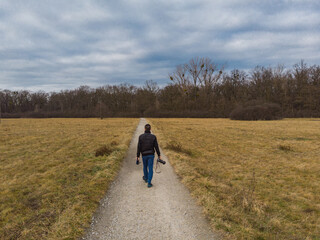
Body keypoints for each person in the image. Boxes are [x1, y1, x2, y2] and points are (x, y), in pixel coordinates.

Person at [136, 123, 161, 188]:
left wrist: (138, 156)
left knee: (145, 166)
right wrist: (159, 155)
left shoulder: (140, 136)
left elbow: (139, 147)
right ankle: (149, 182)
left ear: (144, 129)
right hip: (151, 155)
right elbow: (156, 146)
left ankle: (146, 178)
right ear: (150, 129)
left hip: (144, 155)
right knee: (150, 168)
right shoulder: (153, 137)